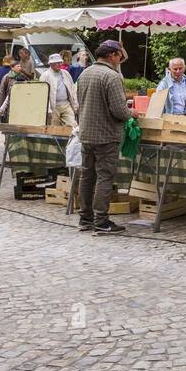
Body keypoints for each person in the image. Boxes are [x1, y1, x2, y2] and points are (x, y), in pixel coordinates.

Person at [75, 40, 132, 236]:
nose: (120, 60)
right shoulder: (111, 76)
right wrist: (131, 113)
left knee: (87, 176)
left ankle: (85, 218)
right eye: (119, 56)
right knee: (104, 177)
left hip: (86, 134)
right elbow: (119, 111)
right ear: (112, 55)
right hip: (106, 135)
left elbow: (79, 105)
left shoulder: (85, 73)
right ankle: (101, 220)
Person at [153, 57, 186, 131]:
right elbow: (157, 105)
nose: (178, 71)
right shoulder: (164, 84)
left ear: (184, 68)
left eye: (180, 68)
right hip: (169, 120)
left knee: (183, 141)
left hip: (185, 118)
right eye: (175, 69)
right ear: (169, 69)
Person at [41, 52, 78, 127]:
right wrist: (48, 110)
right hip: (53, 107)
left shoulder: (66, 73)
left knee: (73, 126)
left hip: (66, 104)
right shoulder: (45, 76)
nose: (59, 64)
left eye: (60, 62)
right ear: (51, 64)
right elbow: (43, 95)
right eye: (56, 63)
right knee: (54, 128)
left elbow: (72, 89)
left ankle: (70, 139)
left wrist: (75, 103)